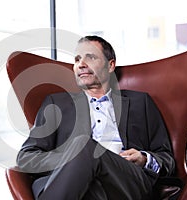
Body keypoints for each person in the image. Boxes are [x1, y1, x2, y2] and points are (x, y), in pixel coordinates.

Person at [16, 35, 175, 200]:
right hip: (76, 186)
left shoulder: (140, 102)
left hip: (126, 181)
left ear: (110, 65)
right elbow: (26, 158)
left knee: (85, 146)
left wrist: (144, 158)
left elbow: (167, 158)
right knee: (85, 154)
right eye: (77, 59)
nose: (81, 64)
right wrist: (73, 158)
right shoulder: (56, 104)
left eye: (90, 57)